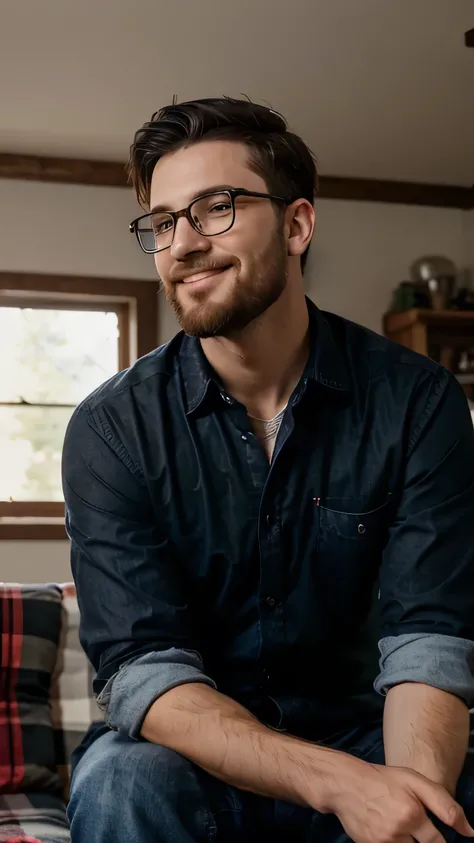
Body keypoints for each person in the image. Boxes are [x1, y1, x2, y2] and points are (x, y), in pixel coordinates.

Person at [62, 97, 474, 843]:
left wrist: (408, 801)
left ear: (297, 225)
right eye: (162, 222)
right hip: (191, 761)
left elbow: (429, 637)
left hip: (370, 736)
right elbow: (144, 670)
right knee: (123, 778)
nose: (182, 243)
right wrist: (334, 782)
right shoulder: (110, 429)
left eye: (215, 208)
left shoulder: (419, 400)